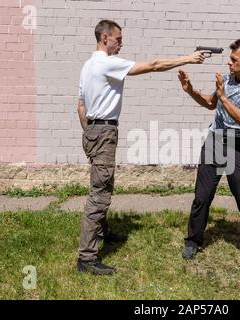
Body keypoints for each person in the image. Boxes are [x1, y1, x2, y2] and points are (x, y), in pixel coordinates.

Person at [77, 19, 206, 275]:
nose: (121, 43)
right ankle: (87, 258)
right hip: (103, 131)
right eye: (118, 39)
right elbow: (155, 65)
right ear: (104, 38)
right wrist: (189, 59)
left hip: (93, 130)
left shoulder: (87, 65)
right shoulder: (107, 63)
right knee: (100, 194)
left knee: (104, 184)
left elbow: (81, 106)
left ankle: (102, 234)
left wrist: (90, 133)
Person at [178, 39, 240, 264]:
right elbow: (211, 102)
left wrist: (223, 96)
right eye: (230, 59)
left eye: (234, 60)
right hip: (214, 141)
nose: (229, 64)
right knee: (202, 197)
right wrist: (190, 90)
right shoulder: (228, 80)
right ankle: (193, 241)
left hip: (237, 145)